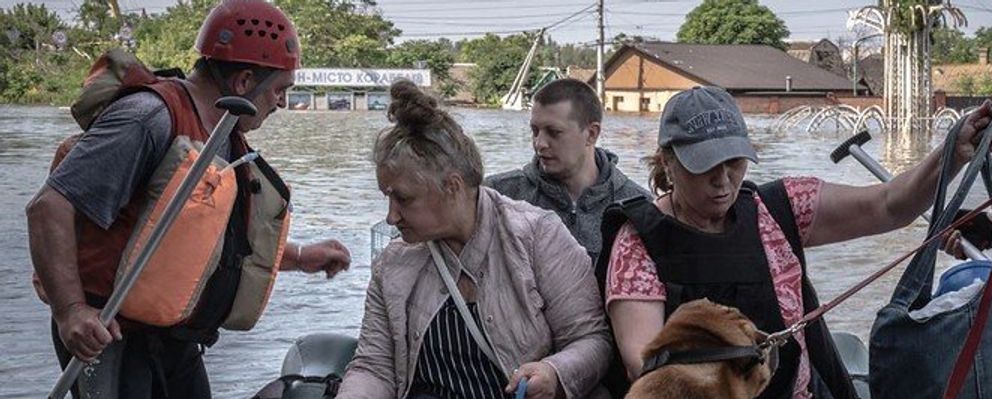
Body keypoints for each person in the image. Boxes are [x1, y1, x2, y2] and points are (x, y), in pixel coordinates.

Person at [24, 1, 351, 397]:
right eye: (280, 90)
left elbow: (196, 241)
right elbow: (49, 207)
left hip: (174, 340)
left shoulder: (224, 134)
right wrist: (70, 311)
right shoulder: (147, 118)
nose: (281, 103)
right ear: (244, 82)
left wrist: (299, 258)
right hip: (108, 332)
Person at [596, 86, 992, 399]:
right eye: (703, 167)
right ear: (667, 161)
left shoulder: (779, 206)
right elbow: (646, 369)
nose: (722, 182)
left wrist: (952, 154)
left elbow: (890, 205)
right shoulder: (638, 242)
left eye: (733, 163)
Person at [337, 81, 611, 399]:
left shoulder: (538, 236)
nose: (391, 217)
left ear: (452, 187)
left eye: (404, 199)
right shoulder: (393, 264)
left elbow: (592, 340)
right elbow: (373, 368)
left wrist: (554, 372)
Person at [486, 78, 650, 262]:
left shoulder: (640, 208)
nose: (539, 143)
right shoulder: (497, 195)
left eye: (554, 132)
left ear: (591, 134)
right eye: (535, 131)